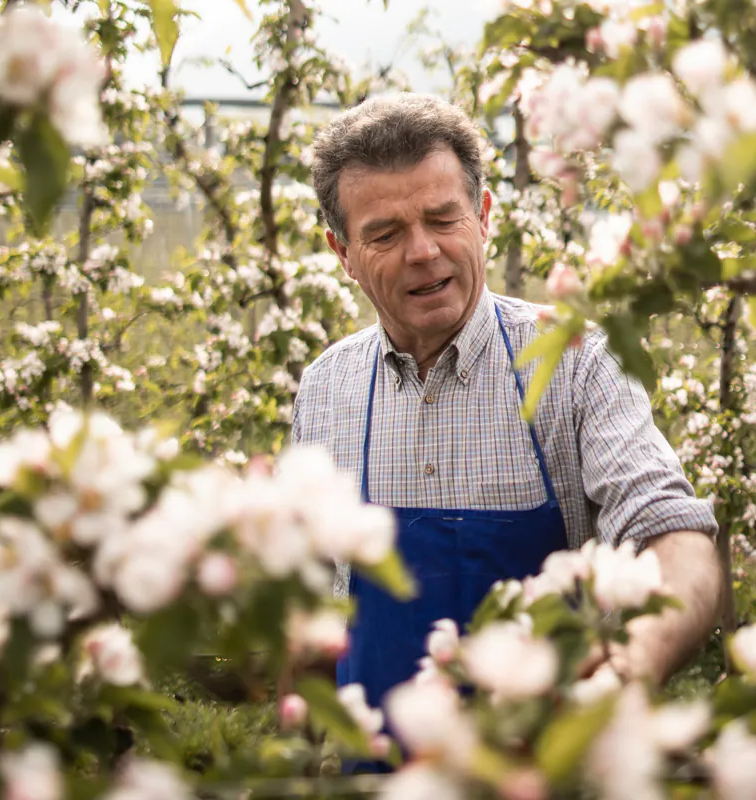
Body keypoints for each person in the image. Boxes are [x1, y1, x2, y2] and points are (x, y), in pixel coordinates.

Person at [291, 93, 722, 723]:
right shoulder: (326, 391)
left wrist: (633, 664)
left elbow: (670, 530)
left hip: (542, 766)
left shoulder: (574, 360)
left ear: (484, 216)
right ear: (343, 253)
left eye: (443, 220)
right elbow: (305, 603)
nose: (422, 252)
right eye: (385, 234)